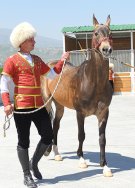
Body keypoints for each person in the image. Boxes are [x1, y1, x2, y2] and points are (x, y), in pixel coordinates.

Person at [0, 22, 70, 188]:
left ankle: (33, 163)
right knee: (24, 141)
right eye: (31, 39)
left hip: (39, 106)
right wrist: (6, 103)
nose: (34, 42)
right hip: (21, 108)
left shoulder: (37, 60)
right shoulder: (12, 61)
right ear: (22, 41)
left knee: (48, 136)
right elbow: (4, 82)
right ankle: (26, 175)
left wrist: (61, 61)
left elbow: (52, 75)